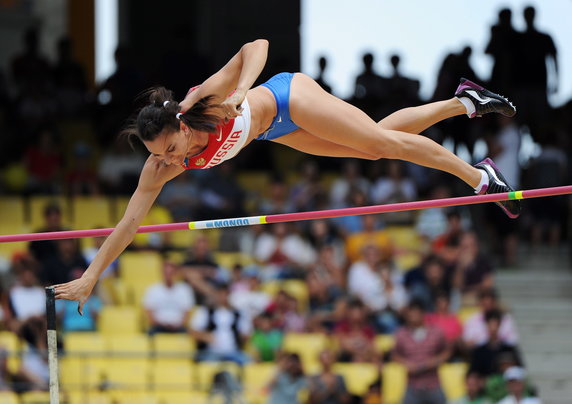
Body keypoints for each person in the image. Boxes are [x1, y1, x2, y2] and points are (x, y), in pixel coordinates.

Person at [53, 39, 520, 309]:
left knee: (380, 145)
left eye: (173, 149)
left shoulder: (204, 104)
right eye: (163, 156)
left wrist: (240, 91)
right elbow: (130, 223)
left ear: (179, 125)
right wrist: (94, 274)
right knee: (376, 143)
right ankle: (465, 102)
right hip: (275, 132)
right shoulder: (159, 167)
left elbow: (257, 47)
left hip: (290, 98)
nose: (172, 161)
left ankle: (478, 178)